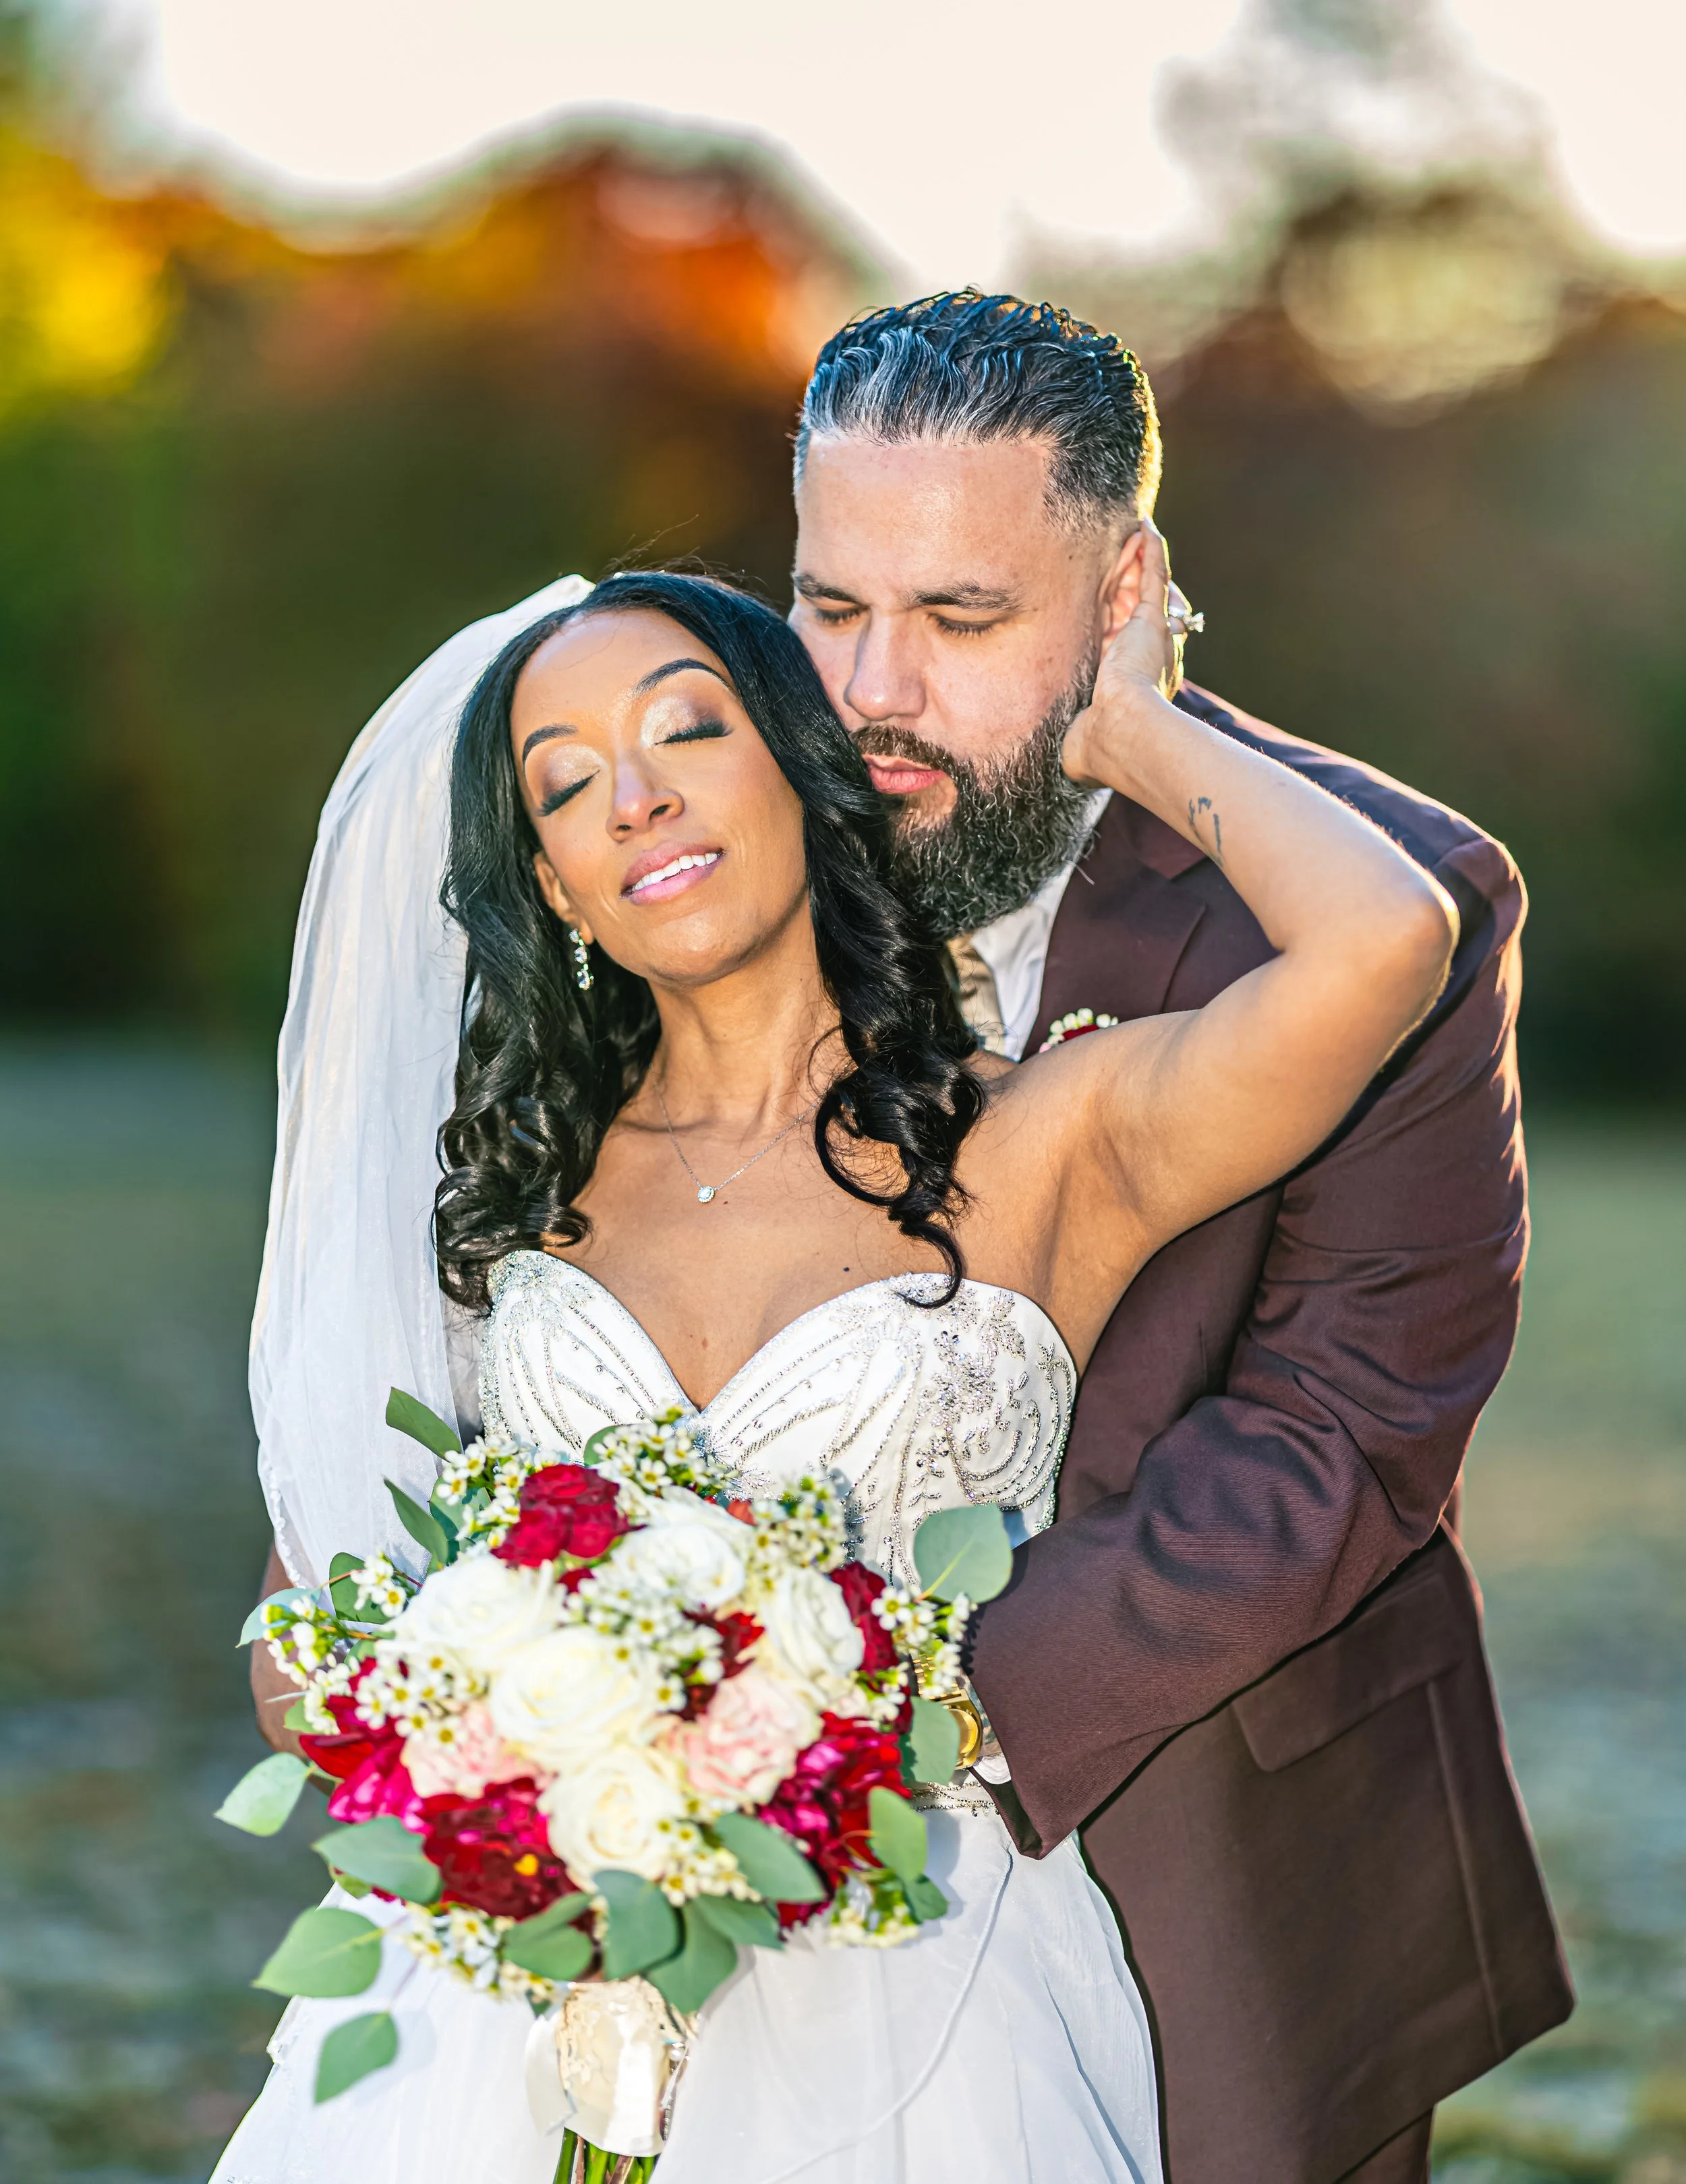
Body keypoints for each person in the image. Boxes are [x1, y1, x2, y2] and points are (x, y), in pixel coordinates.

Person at [226, 554, 1455, 2184]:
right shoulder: (502, 1210)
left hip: (932, 2010)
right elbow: (300, 1637)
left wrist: (1133, 726)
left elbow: (1385, 939)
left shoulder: (1040, 1139)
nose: (636, 800)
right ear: (557, 887)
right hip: (502, 2015)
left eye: (687, 731)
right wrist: (520, 1770)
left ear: (807, 769)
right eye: (569, 785)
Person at [786, 291, 1574, 2183]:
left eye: (962, 619)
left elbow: (1341, 1430)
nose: (874, 689)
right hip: (750, 1831)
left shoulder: (1400, 896)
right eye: (829, 606)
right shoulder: (714, 844)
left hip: (1219, 1834)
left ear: (1122, 584)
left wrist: (904, 1708)